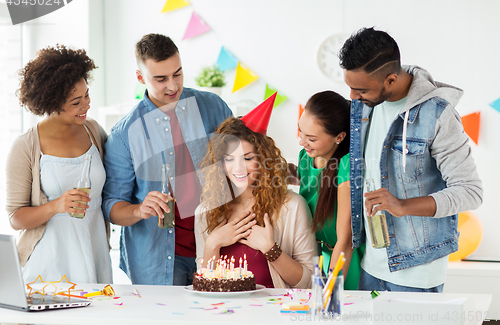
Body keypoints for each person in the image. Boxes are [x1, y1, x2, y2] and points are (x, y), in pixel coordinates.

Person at [339, 27, 483, 292]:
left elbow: (471, 192)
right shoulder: (364, 107)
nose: (352, 97)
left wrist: (403, 205)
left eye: (359, 90)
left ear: (391, 80)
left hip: (416, 274)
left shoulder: (438, 116)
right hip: (370, 267)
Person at [102, 33, 232, 285]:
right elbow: (112, 206)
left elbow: (242, 164)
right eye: (160, 79)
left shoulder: (213, 106)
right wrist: (139, 209)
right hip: (157, 258)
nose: (172, 86)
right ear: (141, 78)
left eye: (178, 74)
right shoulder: (124, 134)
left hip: (217, 246)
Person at [6, 45, 112, 284]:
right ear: (52, 103)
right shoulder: (26, 146)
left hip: (94, 255)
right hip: (47, 263)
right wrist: (56, 206)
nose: (86, 105)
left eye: (87, 95)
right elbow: (16, 217)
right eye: (76, 102)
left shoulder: (94, 131)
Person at [195, 95, 316, 288]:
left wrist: (271, 250)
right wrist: (212, 244)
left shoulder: (292, 206)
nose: (238, 168)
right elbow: (205, 286)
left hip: (274, 314)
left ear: (263, 159)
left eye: (248, 158)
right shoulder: (206, 210)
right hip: (224, 314)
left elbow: (309, 283)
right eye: (229, 159)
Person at [289, 90, 364, 290]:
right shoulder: (305, 158)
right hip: (315, 256)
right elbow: (313, 186)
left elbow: (345, 240)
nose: (302, 142)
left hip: (343, 261)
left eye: (311, 139)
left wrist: (330, 290)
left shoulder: (346, 166)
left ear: (339, 137)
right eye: (300, 132)